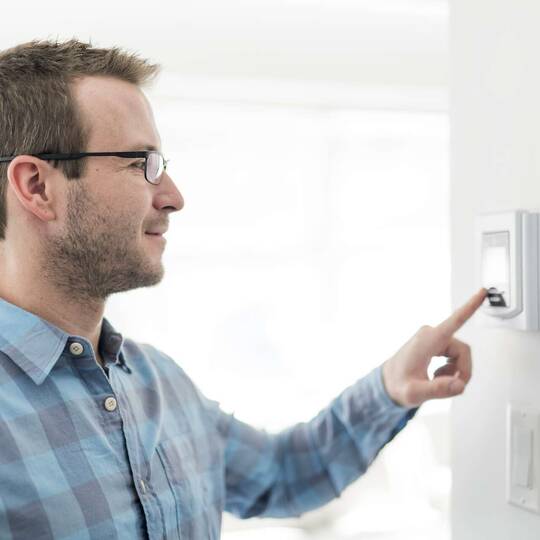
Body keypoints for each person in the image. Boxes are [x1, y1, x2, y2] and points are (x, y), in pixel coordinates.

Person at [0, 38, 487, 540]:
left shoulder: (159, 382)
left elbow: (282, 474)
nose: (173, 197)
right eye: (140, 163)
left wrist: (389, 387)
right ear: (37, 186)